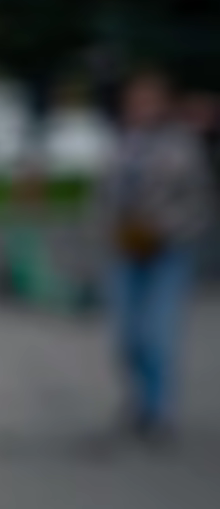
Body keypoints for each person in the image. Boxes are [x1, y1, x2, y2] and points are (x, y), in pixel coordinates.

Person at [91, 71, 216, 440]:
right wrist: (107, 231)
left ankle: (159, 411)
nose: (141, 109)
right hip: (125, 250)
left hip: (166, 251)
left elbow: (199, 203)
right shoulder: (119, 145)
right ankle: (139, 400)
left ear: (163, 105)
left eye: (149, 102)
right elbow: (100, 199)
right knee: (127, 336)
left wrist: (163, 228)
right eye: (136, 102)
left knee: (157, 334)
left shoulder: (182, 146)